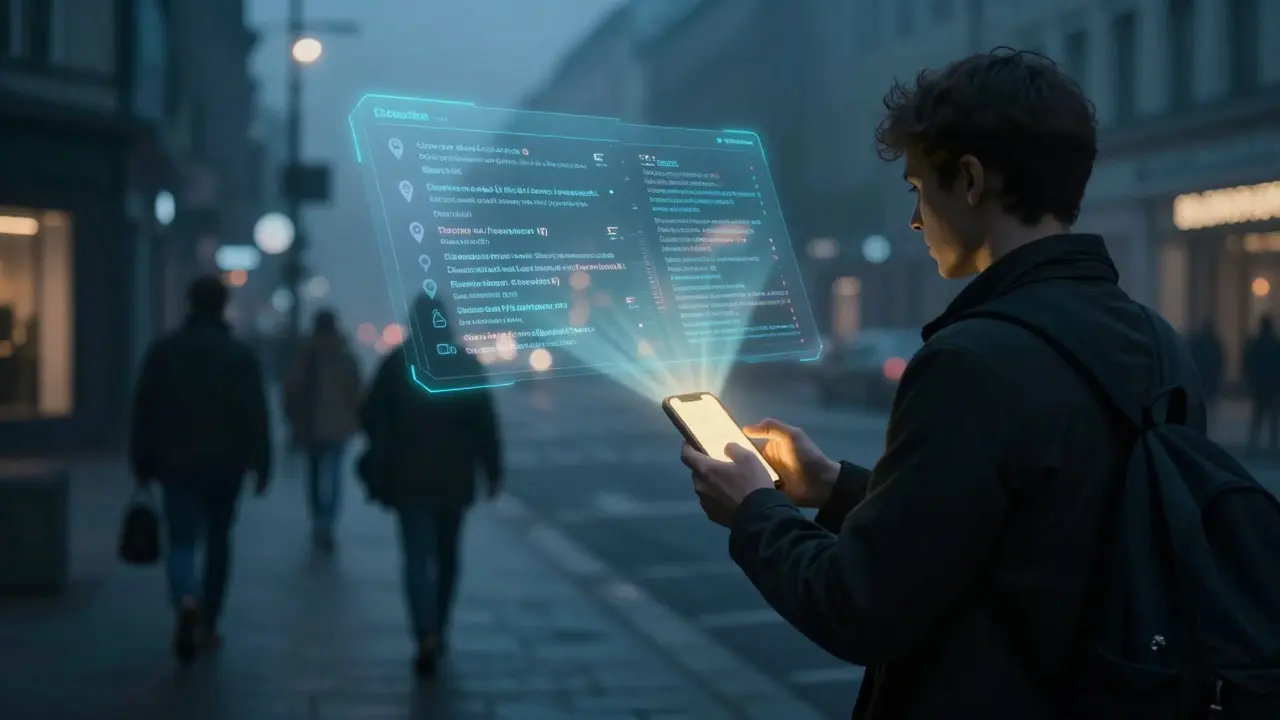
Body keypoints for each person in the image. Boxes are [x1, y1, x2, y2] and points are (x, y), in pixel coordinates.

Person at [680, 49, 1203, 718]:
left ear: (971, 180)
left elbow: (859, 605)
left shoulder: (969, 363)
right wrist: (834, 486)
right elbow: (1027, 531)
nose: (915, 218)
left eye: (918, 187)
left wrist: (754, 509)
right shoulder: (1160, 343)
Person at [358, 294, 503, 678]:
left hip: (408, 476)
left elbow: (369, 414)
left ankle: (424, 632)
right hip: (454, 477)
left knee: (416, 558)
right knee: (447, 556)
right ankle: (440, 624)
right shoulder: (465, 362)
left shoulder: (396, 362)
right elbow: (485, 422)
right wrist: (493, 471)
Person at [129, 275, 271, 664]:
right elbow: (256, 414)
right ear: (223, 305)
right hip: (226, 464)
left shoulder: (165, 351)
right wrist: (262, 464)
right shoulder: (239, 356)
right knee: (219, 540)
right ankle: (209, 623)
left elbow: (144, 410)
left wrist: (141, 462)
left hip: (176, 462)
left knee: (181, 538)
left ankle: (185, 596)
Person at [284, 308, 363, 552]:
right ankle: (328, 520)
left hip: (310, 425)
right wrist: (356, 419)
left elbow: (292, 389)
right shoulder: (345, 355)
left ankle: (318, 518)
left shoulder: (305, 354)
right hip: (338, 426)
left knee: (314, 474)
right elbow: (357, 391)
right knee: (335, 474)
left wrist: (292, 419)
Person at [1244, 314, 1280, 454]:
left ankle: (1253, 444)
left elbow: (1248, 364)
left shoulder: (1256, 344)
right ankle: (1272, 445)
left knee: (1258, 418)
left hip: (1260, 386)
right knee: (1272, 419)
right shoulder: (1275, 344)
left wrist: (1250, 381)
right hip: (1272, 386)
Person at [1187, 318, 1224, 414]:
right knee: (1210, 403)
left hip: (1201, 377)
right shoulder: (1215, 343)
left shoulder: (1197, 343)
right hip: (1210, 377)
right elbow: (1220, 361)